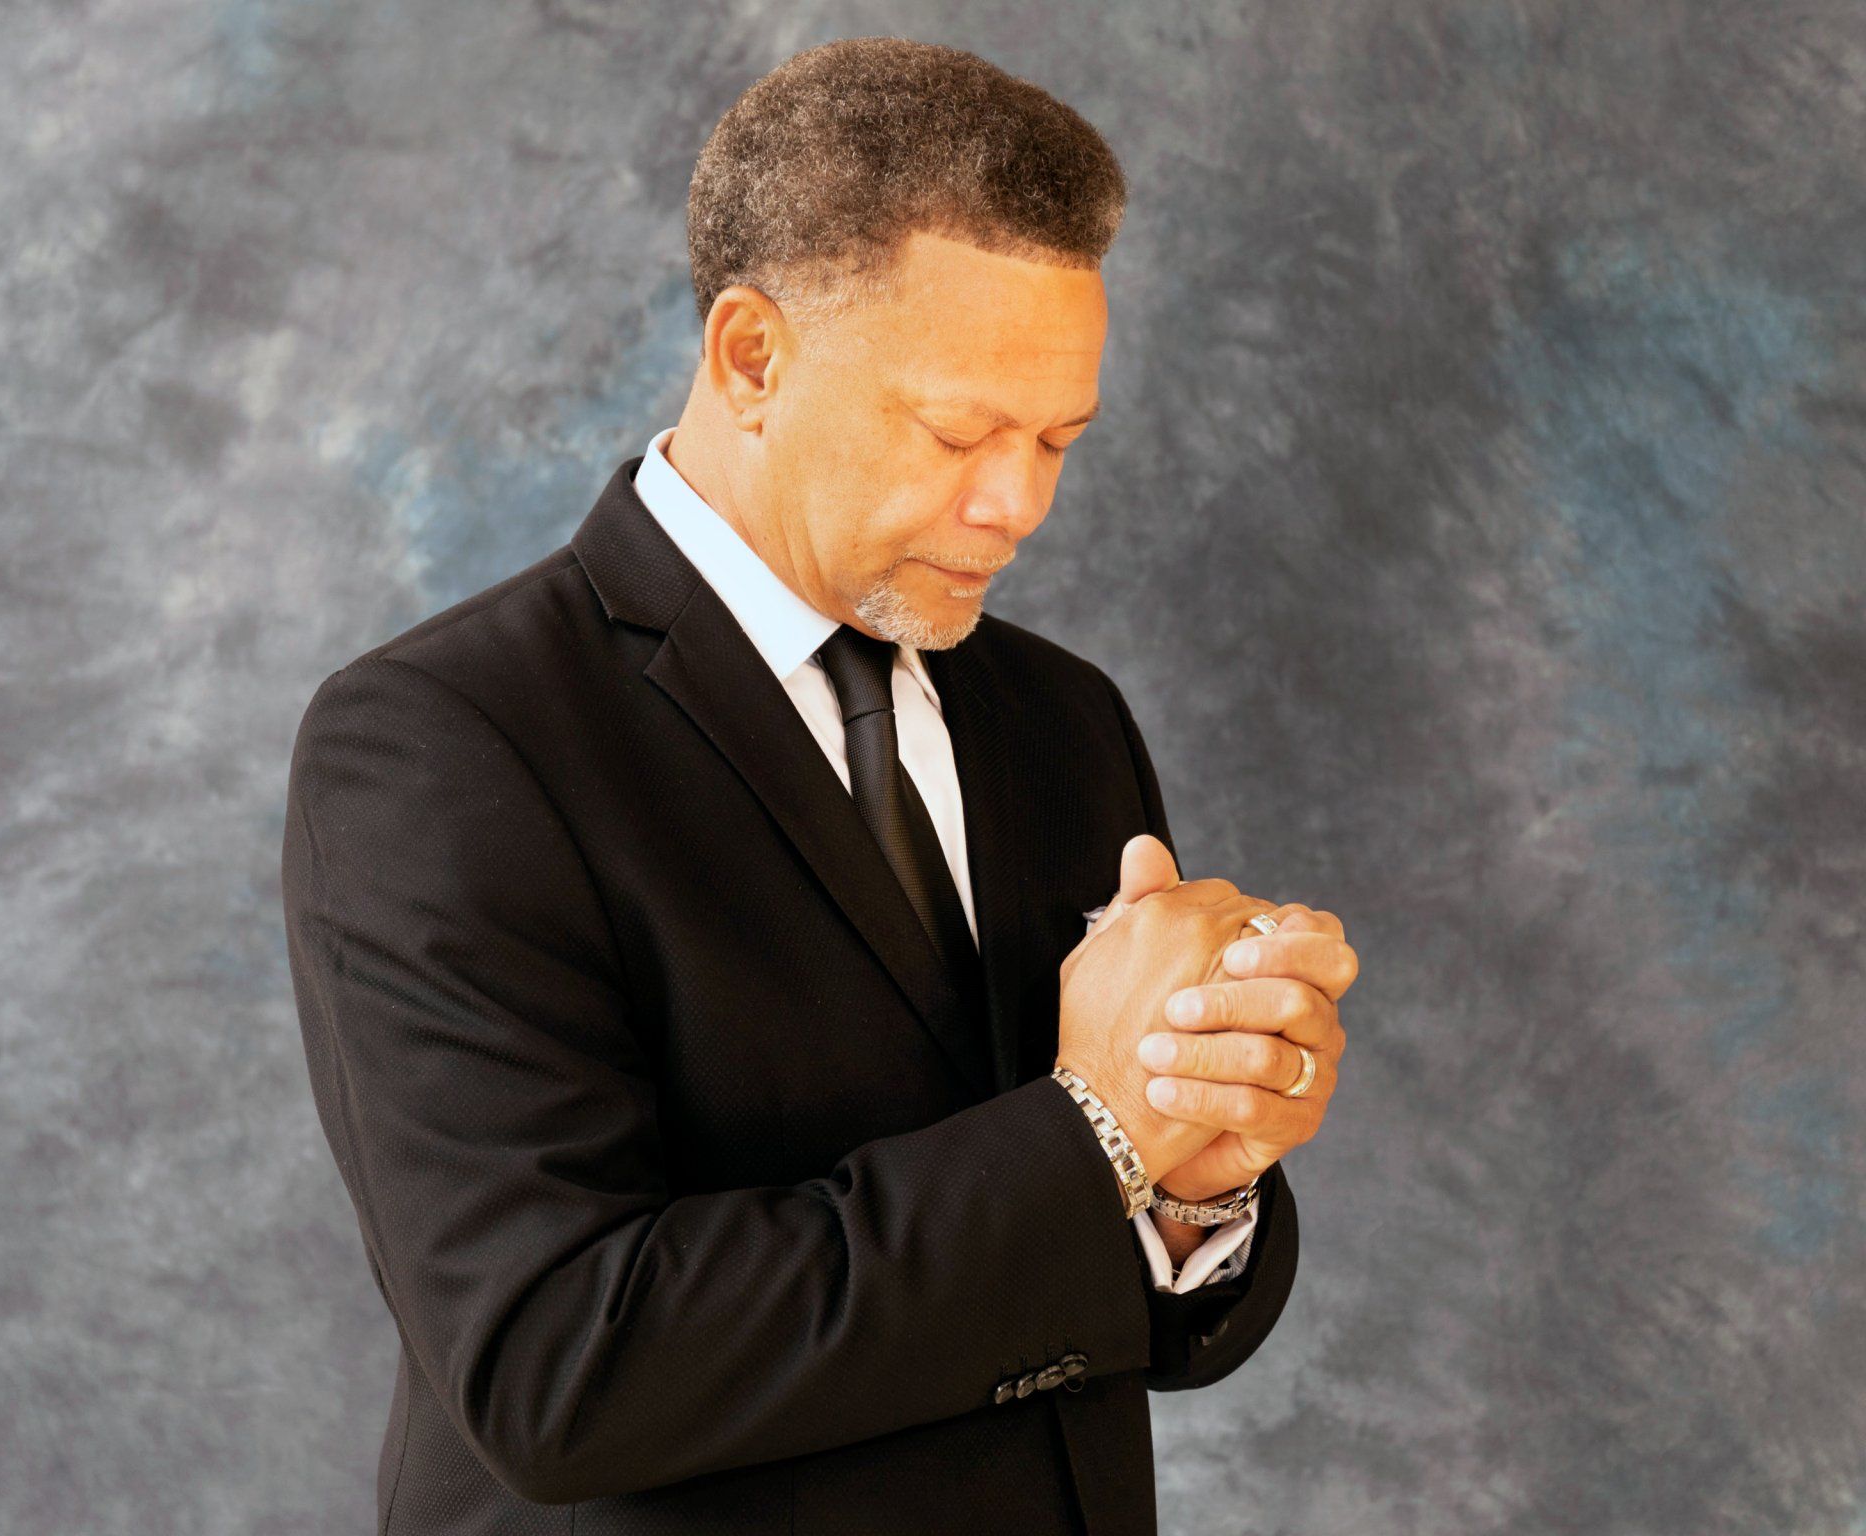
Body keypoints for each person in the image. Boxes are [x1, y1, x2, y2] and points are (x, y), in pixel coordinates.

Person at [280, 35, 1352, 1536]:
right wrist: (1097, 1133)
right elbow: (559, 1369)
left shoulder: (1063, 717)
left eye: (1059, 441)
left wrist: (1193, 1180)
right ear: (752, 358)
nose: (1019, 504)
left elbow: (1136, 1323)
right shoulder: (446, 742)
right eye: (962, 430)